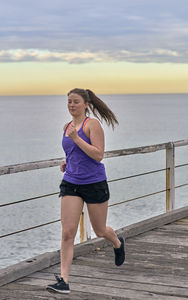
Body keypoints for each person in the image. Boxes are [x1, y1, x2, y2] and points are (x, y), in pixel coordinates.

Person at [47, 88, 125, 294]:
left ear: (86, 105)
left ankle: (117, 242)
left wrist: (77, 138)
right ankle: (64, 281)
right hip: (71, 182)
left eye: (75, 102)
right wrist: (67, 162)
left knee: (100, 230)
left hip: (94, 183)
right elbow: (74, 152)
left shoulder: (93, 125)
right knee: (67, 232)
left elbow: (98, 155)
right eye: (69, 102)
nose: (71, 105)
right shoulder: (67, 127)